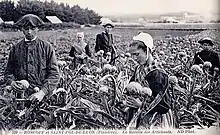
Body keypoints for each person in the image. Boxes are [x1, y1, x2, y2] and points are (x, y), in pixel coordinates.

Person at [4, 14, 60, 102]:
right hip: (20, 97)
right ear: (22, 29)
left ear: (38, 28)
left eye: (33, 28)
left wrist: (42, 92)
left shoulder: (46, 47)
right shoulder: (15, 48)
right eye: (26, 29)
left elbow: (54, 74)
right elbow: (8, 72)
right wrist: (12, 83)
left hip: (42, 97)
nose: (29, 32)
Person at [126, 32, 173, 128]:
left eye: (137, 54)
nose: (134, 58)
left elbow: (165, 106)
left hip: (156, 118)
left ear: (147, 50)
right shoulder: (139, 69)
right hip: (140, 115)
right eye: (132, 55)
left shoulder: (158, 74)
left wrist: (141, 105)